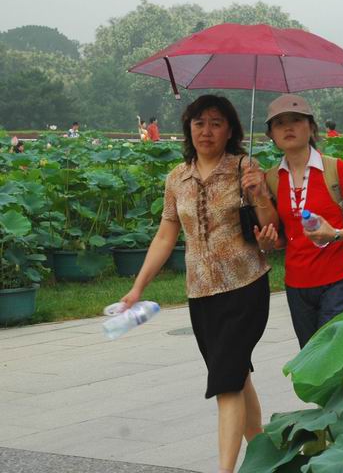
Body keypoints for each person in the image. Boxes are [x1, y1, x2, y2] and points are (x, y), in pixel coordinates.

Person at [119, 95, 275, 473]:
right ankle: (267, 454)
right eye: (199, 122)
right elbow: (165, 235)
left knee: (226, 381)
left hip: (245, 286)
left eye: (216, 123)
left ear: (230, 130)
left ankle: (225, 469)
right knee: (236, 374)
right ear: (189, 128)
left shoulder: (245, 168)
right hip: (201, 293)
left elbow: (272, 229)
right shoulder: (177, 177)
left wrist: (260, 194)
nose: (206, 131)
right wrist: (138, 287)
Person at [250, 94, 343, 348]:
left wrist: (335, 234)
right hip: (297, 284)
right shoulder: (272, 179)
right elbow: (280, 238)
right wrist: (266, 240)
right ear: (271, 135)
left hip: (340, 279)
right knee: (312, 357)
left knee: (335, 354)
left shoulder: (335, 169)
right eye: (279, 123)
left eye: (296, 120)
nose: (288, 127)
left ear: (311, 127)